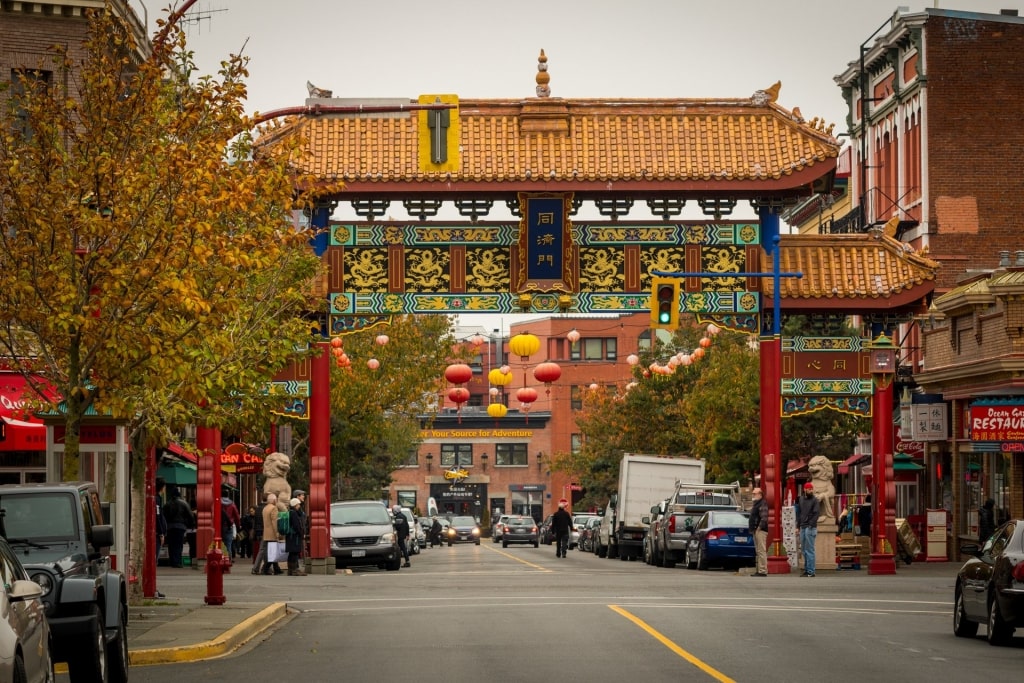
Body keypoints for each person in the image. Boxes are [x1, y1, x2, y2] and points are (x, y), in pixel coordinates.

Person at [162, 485, 194, 569]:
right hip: (181, 526)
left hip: (170, 527)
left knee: (171, 544)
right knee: (179, 544)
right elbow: (190, 515)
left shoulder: (167, 504)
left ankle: (173, 561)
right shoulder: (184, 503)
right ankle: (178, 562)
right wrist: (190, 524)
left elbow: (163, 516)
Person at [254, 493, 283, 575]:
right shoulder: (274, 508)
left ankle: (275, 569)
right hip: (271, 534)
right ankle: (265, 568)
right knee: (273, 552)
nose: (276, 501)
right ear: (274, 500)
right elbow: (274, 522)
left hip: (265, 533)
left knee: (267, 551)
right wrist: (277, 533)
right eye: (276, 500)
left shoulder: (265, 508)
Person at [797, 482, 820, 577]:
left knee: (809, 549)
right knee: (804, 550)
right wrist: (798, 526)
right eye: (809, 489)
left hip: (810, 527)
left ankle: (811, 571)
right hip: (803, 526)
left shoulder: (815, 500)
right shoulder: (801, 499)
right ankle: (807, 569)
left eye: (811, 489)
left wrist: (811, 524)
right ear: (805, 489)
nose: (811, 490)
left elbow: (816, 513)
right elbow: (799, 513)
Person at [748, 487, 768, 577]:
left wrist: (759, 528)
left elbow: (764, 517)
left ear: (760, 494)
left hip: (760, 530)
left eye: (754, 494)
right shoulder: (756, 503)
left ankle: (762, 570)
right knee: (758, 551)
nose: (753, 495)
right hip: (756, 529)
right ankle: (759, 569)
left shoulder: (762, 503)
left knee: (761, 551)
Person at [153, 477, 167, 598]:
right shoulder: (157, 499)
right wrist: (161, 532)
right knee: (154, 560)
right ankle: (153, 587)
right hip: (156, 533)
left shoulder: (156, 498)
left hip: (156, 532)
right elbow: (158, 516)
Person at [285, 498, 306, 576]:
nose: (299, 506)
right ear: (294, 505)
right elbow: (296, 525)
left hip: (290, 536)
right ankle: (294, 570)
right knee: (295, 553)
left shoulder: (290, 512)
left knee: (291, 553)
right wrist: (301, 533)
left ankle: (290, 570)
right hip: (294, 536)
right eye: (298, 504)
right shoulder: (294, 513)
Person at [220, 487, 241, 562]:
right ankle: (228, 560)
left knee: (219, 544)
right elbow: (237, 516)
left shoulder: (218, 503)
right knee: (228, 544)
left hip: (219, 526)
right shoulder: (232, 504)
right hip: (229, 526)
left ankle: (221, 558)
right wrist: (238, 525)